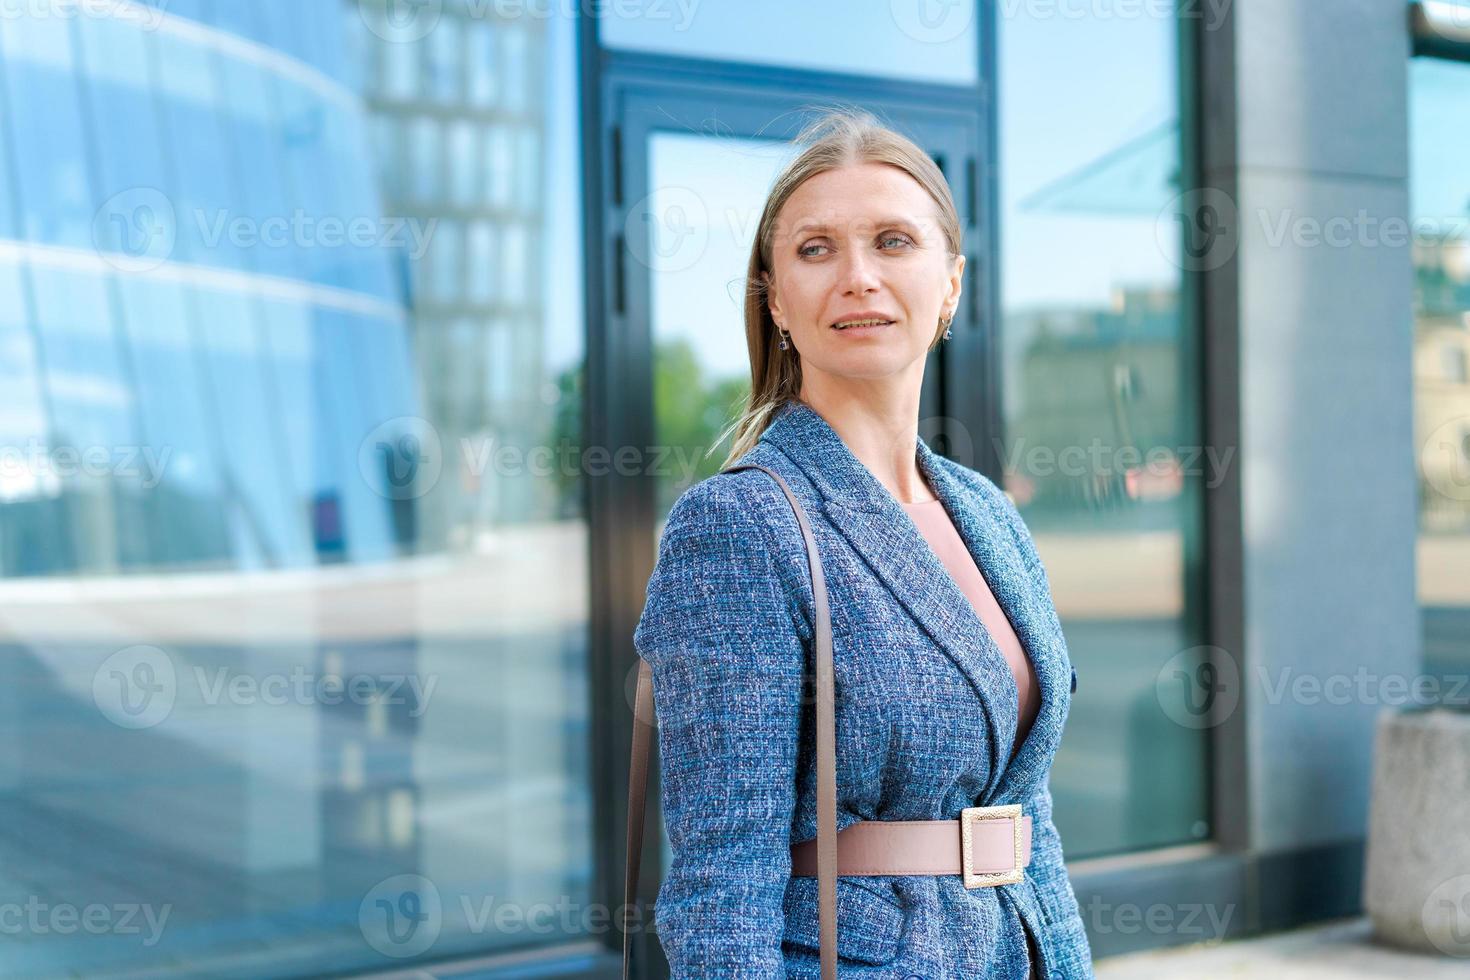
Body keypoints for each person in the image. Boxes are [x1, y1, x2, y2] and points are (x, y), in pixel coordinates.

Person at [633, 107, 1093, 979]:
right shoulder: (737, 527)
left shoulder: (986, 512)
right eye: (815, 250)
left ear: (950, 284)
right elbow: (717, 887)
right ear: (776, 301)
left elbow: (1028, 811)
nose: (857, 278)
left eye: (892, 242)